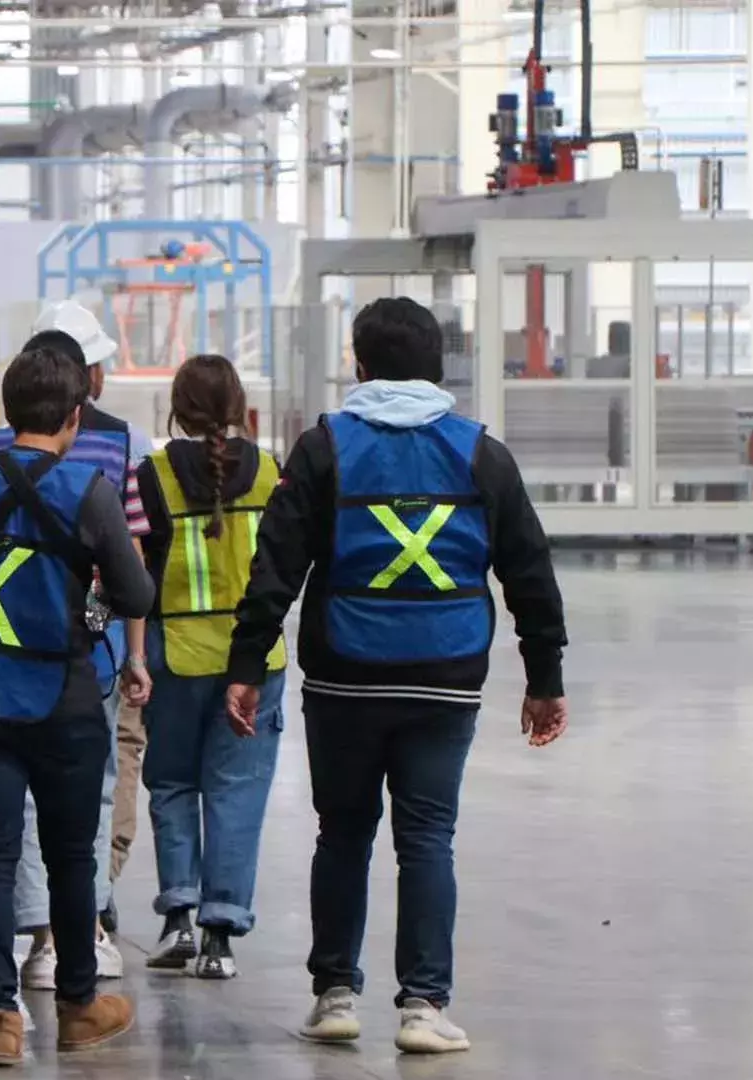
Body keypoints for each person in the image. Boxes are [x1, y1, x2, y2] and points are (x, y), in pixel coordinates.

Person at [223, 297, 568, 1055]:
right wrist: (545, 676)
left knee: (341, 833)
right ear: (439, 367)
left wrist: (247, 663)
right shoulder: (481, 454)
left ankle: (336, 994)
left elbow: (276, 563)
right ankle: (423, 1006)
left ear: (361, 365)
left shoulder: (324, 448)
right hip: (444, 677)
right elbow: (528, 570)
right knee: (428, 837)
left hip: (344, 676)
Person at [0, 346, 151, 1066]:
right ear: (76, 416)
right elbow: (139, 596)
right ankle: (78, 1006)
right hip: (65, 701)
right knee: (68, 857)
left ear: (6, 410)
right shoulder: (90, 491)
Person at [0, 302, 149, 987]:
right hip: (86, 659)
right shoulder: (121, 448)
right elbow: (128, 565)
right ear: (81, 383)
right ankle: (88, 934)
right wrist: (117, 639)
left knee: (10, 816)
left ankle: (38, 941)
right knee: (92, 798)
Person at [131, 354, 287, 980]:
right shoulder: (272, 473)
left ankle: (178, 920)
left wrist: (134, 655)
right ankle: (221, 937)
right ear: (239, 407)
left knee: (171, 785)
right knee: (236, 791)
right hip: (255, 664)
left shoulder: (152, 476)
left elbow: (137, 572)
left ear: (177, 408)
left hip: (177, 659)